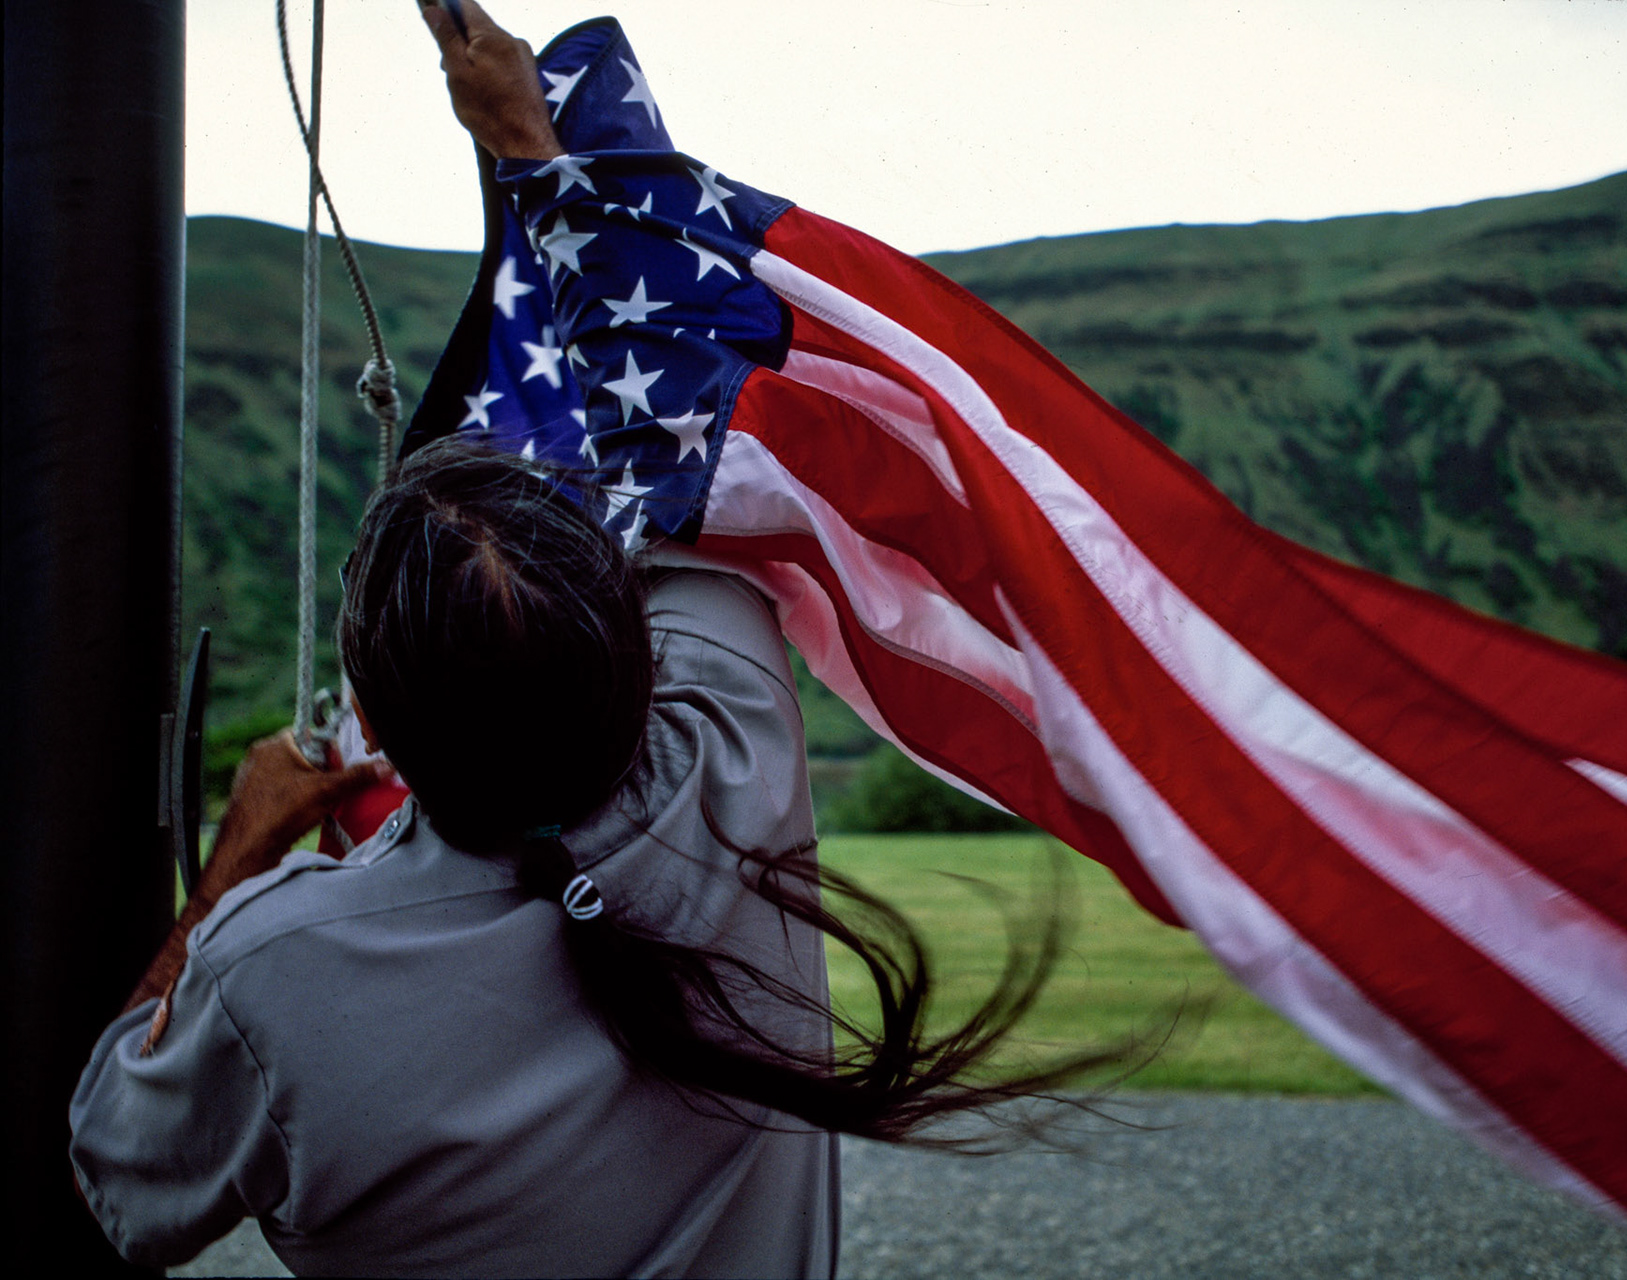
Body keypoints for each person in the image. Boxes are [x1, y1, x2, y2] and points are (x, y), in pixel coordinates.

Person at [69, 7, 1116, 1275]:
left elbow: (121, 1176)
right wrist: (529, 154)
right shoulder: (730, 763)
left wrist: (240, 850)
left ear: (382, 728)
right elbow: (680, 446)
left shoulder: (275, 964)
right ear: (627, 652)